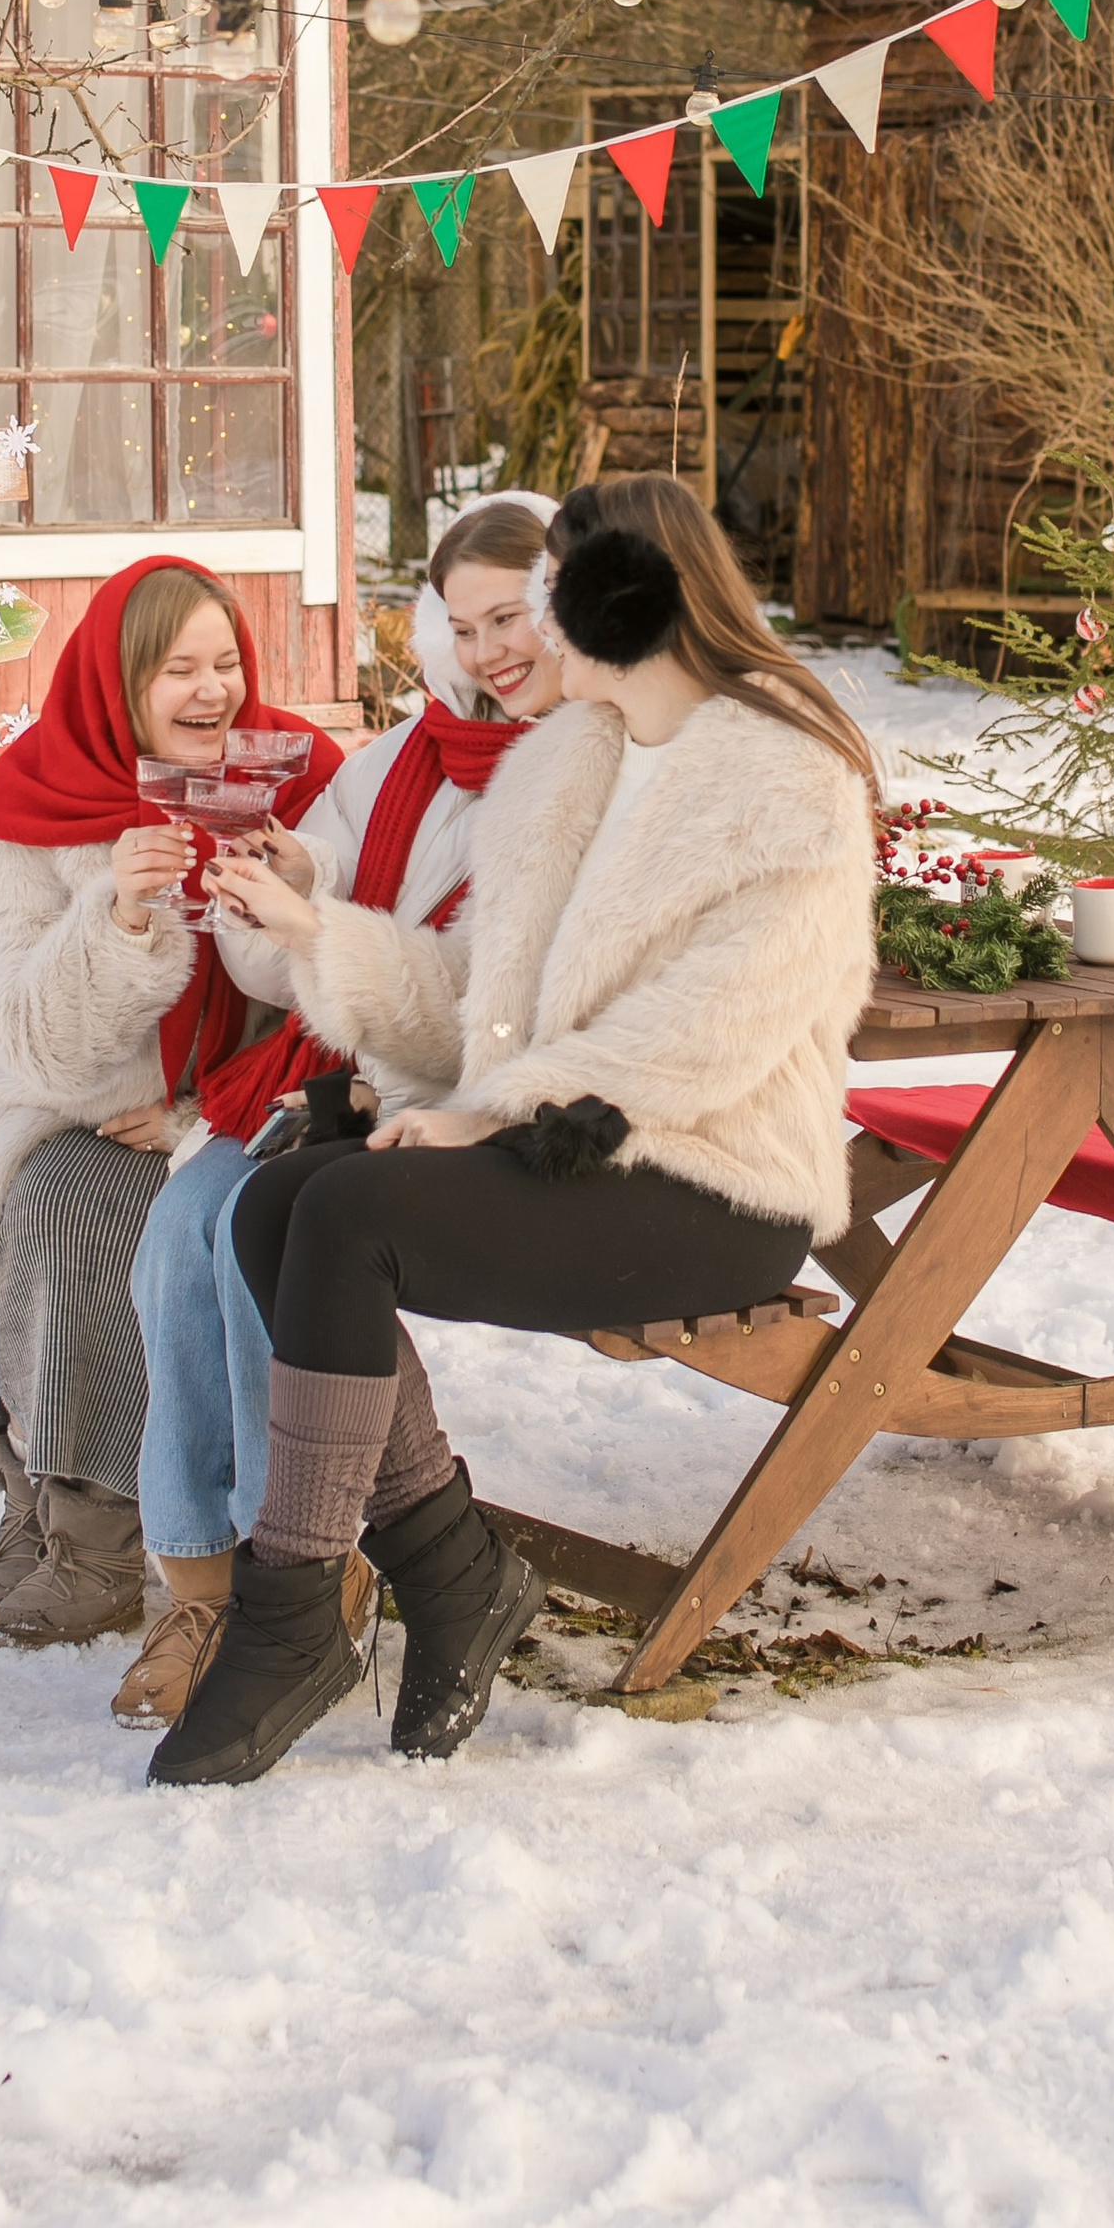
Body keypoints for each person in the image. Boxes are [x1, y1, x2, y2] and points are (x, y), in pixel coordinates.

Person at [150, 475, 880, 1788]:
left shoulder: (785, 774)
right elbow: (473, 1013)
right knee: (276, 1202)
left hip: (712, 1183)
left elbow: (704, 1035)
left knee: (352, 1215)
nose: (520, 639)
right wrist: (326, 938)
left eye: (549, 600)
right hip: (582, 1153)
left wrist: (489, 1119)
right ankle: (454, 1574)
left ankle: (291, 1617)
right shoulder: (569, 766)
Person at [111, 491, 563, 1729]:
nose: (487, 654)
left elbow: (490, 1009)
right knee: (174, 1241)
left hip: (447, 1101)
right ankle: (197, 1588)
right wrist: (290, 884)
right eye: (463, 628)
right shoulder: (396, 763)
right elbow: (275, 963)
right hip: (327, 1082)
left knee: (262, 1238)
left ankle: (296, 1580)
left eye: (510, 619)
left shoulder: (581, 773)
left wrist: (329, 936)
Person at [0, 559, 340, 1647]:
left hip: (254, 1111)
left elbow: (352, 977)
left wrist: (200, 1118)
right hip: (76, 1096)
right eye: (178, 670)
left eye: (226, 663)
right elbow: (30, 1041)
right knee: (52, 1193)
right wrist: (118, 919)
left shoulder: (301, 781)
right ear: (119, 681)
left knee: (104, 1209)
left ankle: (99, 1529)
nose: (211, 691)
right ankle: (44, 1489)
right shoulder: (31, 800)